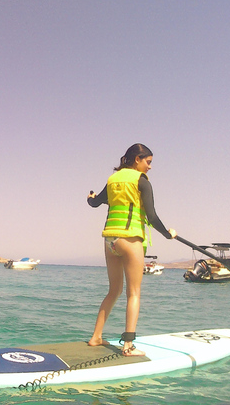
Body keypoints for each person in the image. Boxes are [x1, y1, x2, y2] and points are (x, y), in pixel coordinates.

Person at [86, 144, 177, 356]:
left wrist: (89, 198)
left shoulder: (112, 180)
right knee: (133, 293)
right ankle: (128, 346)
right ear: (137, 159)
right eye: (148, 162)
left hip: (111, 241)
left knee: (114, 290)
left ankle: (96, 337)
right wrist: (168, 234)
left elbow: (96, 203)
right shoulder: (141, 182)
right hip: (130, 239)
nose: (150, 167)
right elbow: (152, 217)